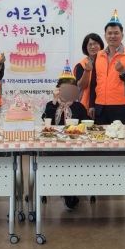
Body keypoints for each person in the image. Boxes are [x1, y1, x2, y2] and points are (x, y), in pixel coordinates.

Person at [43, 62, 89, 210]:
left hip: (75, 147)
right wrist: (54, 101)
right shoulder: (51, 105)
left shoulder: (78, 106)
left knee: (74, 163)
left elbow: (86, 125)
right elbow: (46, 121)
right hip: (54, 147)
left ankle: (70, 192)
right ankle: (65, 191)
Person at [94, 10, 125, 125]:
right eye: (109, 33)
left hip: (121, 106)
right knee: (100, 136)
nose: (112, 36)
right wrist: (91, 104)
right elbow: (94, 82)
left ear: (122, 35)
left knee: (120, 136)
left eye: (116, 33)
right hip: (100, 106)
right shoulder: (99, 55)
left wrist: (123, 71)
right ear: (105, 36)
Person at [74, 33, 104, 120]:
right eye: (90, 44)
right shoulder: (81, 65)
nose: (93, 47)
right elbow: (81, 86)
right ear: (86, 48)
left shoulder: (106, 63)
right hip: (85, 107)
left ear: (101, 45)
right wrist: (87, 71)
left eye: (95, 43)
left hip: (103, 106)